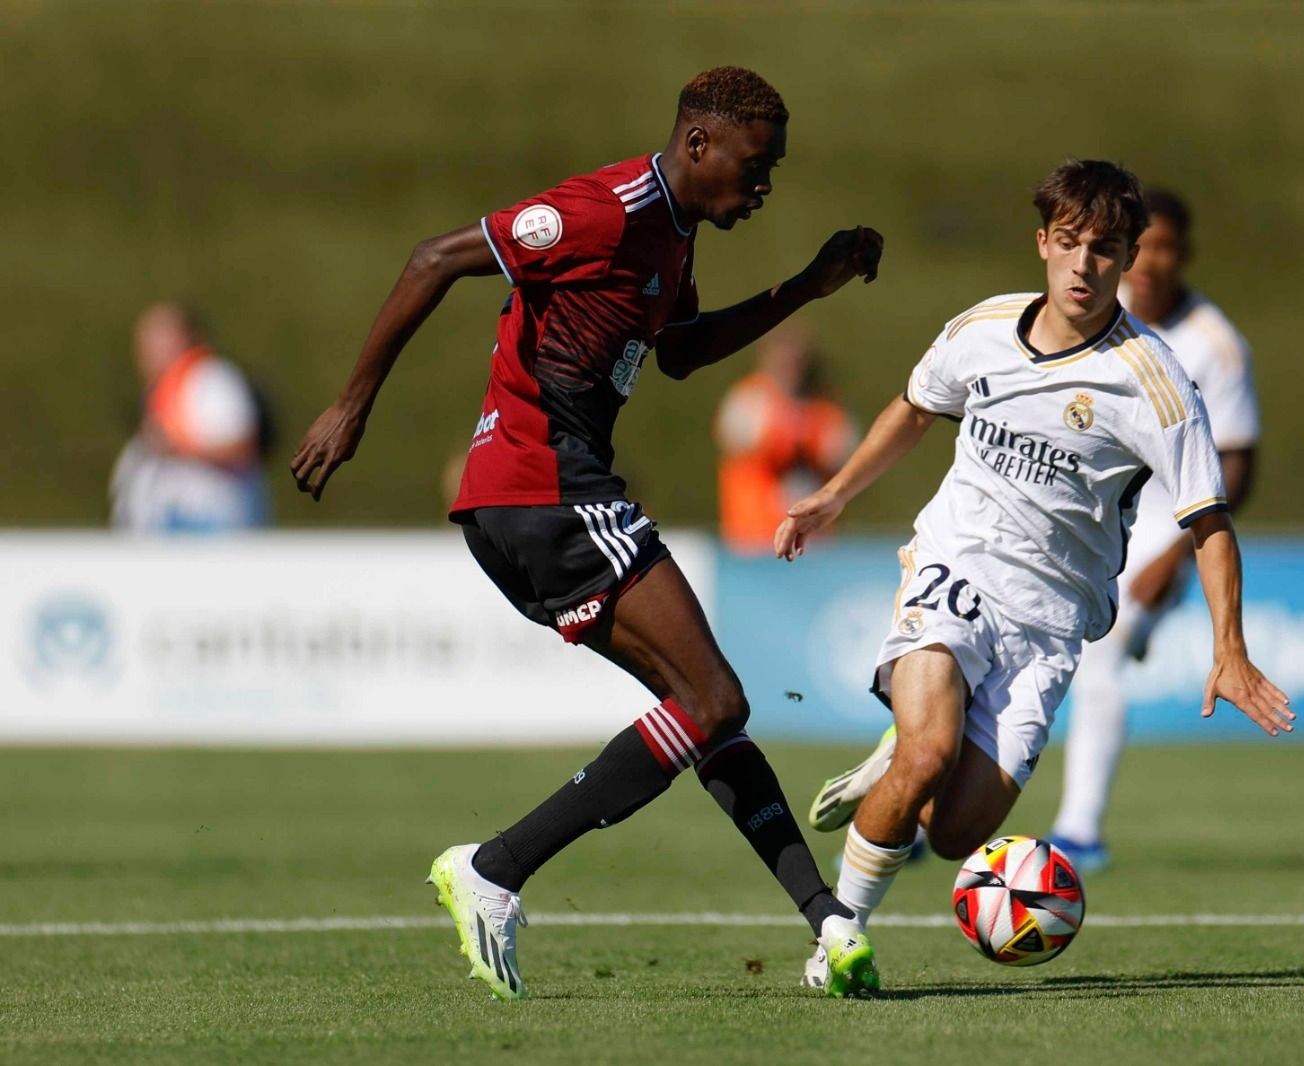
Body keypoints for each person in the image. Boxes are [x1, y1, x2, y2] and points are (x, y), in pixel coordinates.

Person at [290, 67, 886, 1000]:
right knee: (715, 700)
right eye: (756, 164)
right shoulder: (605, 211)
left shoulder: (674, 238)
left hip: (529, 501)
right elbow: (433, 258)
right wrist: (350, 406)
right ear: (698, 145)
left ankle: (829, 924)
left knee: (705, 712)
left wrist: (806, 286)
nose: (765, 184)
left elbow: (681, 352)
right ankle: (495, 867)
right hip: (545, 487)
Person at [777, 160, 1292, 971]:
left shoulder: (1155, 386)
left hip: (1050, 624)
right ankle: (839, 937)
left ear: (1126, 257)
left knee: (951, 834)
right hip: (955, 569)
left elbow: (1210, 520)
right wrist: (834, 495)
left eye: (1106, 249)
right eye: (1071, 243)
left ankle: (899, 753)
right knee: (929, 752)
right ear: (1043, 243)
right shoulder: (981, 330)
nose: (1085, 265)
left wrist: (1230, 649)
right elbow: (916, 410)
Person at [1046, 189, 1262, 873]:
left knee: (1103, 655)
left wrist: (1173, 557)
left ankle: (1078, 829)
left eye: (1169, 247)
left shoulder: (1216, 347)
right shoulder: (1098, 312)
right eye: (1148, 247)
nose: (1153, 262)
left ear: (1182, 255)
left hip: (1161, 532)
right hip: (1086, 514)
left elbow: (1238, 464)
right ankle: (932, 800)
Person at [110, 302, 271, 532]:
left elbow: (242, 444)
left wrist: (178, 448)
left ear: (186, 337)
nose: (147, 347)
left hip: (209, 522)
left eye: (159, 337)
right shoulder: (165, 389)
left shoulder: (211, 379)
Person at [715, 322, 857, 553]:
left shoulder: (825, 407)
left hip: (814, 543)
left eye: (798, 360)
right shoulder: (748, 399)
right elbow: (736, 440)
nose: (791, 367)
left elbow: (844, 456)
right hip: (752, 538)